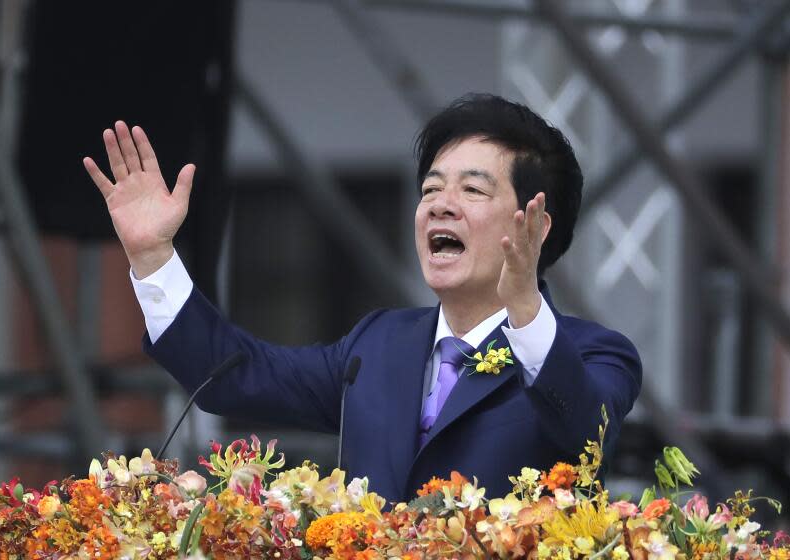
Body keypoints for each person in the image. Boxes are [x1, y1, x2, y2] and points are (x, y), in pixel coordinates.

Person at [84, 93, 642, 503]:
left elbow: (584, 434)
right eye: (430, 189)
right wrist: (153, 256)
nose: (440, 206)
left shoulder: (596, 355)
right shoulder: (378, 344)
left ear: (537, 225)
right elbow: (233, 376)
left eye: (472, 189)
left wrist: (523, 307)